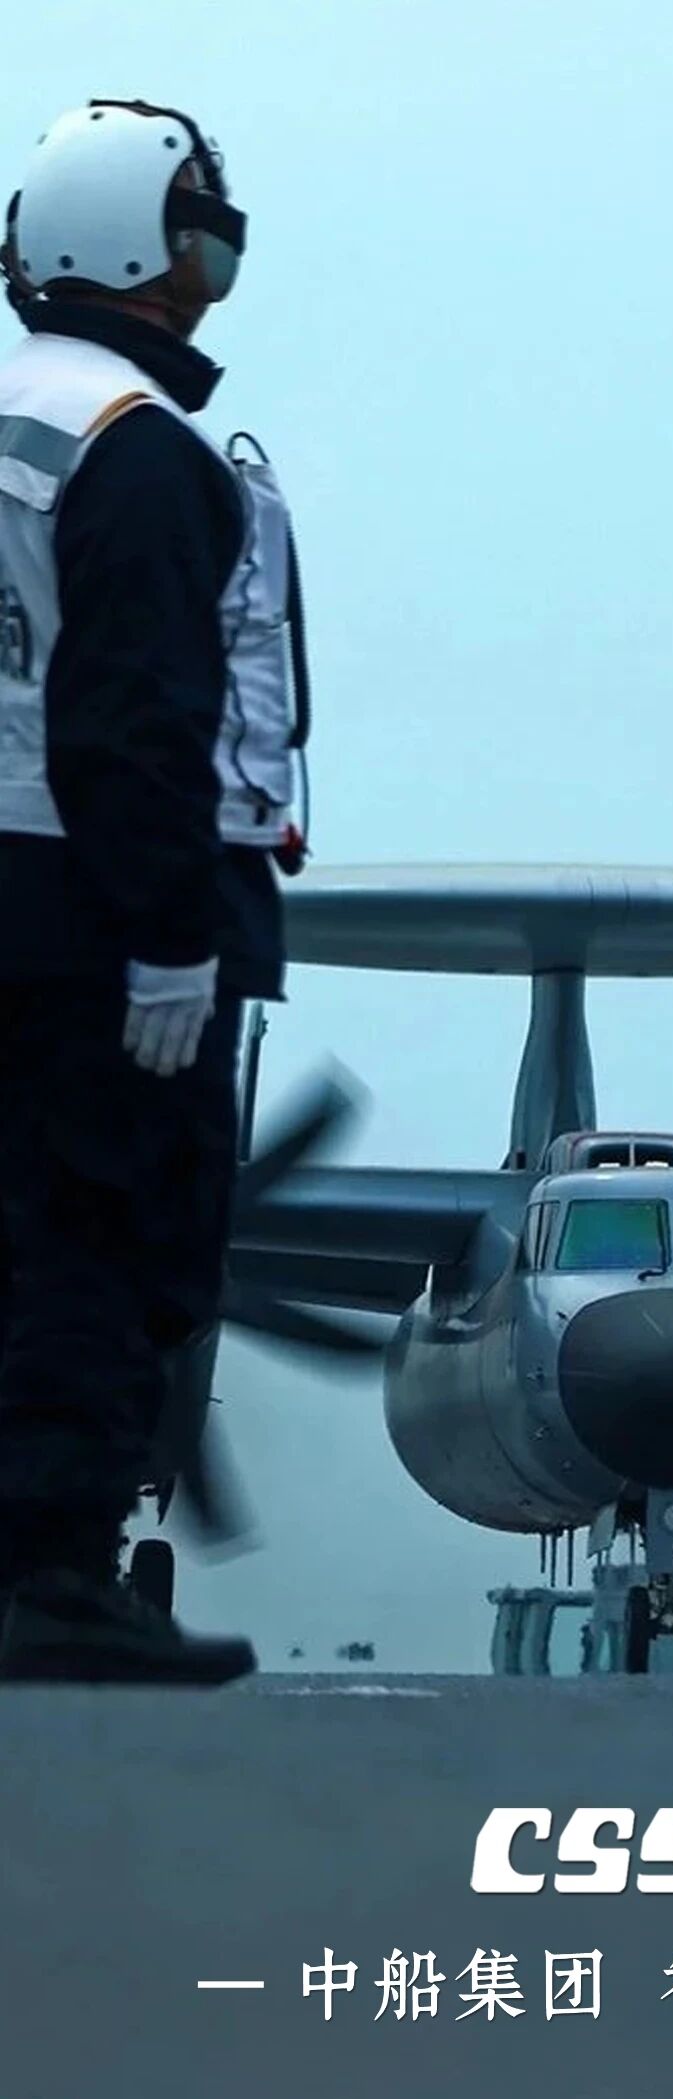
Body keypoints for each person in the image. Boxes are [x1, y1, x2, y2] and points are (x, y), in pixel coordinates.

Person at [0, 97, 310, 1682]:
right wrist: (173, 940)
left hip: (20, 877)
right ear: (131, 244)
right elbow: (136, 714)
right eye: (199, 232)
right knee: (110, 1233)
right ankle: (56, 1573)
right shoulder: (138, 448)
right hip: (100, 904)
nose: (212, 266)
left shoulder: (19, 420)